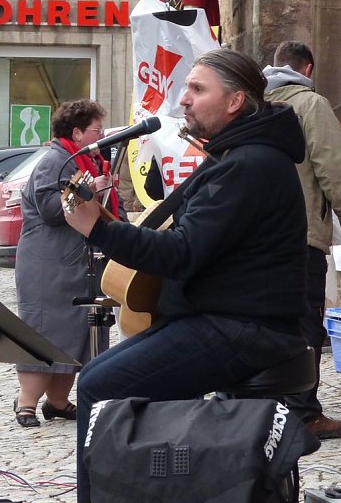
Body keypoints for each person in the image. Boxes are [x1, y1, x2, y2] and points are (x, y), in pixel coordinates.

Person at [63, 49, 310, 502]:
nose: (184, 101)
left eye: (198, 90)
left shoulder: (250, 164)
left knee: (99, 385)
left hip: (245, 328)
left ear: (235, 102)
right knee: (99, 373)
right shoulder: (238, 156)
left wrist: (98, 228)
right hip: (222, 316)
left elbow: (181, 253)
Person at [263, 41, 341, 439]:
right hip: (300, 233)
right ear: (308, 68)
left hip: (255, 235)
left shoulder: (250, 101)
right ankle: (304, 412)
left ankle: (268, 408)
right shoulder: (310, 104)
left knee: (264, 322)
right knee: (304, 322)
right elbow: (331, 167)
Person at [13, 99, 120, 428]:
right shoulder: (56, 160)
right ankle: (26, 403)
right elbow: (50, 208)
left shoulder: (84, 160)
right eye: (96, 130)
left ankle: (57, 402)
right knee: (44, 331)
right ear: (76, 132)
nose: (102, 134)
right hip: (49, 263)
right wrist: (90, 190)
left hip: (74, 263)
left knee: (76, 332)